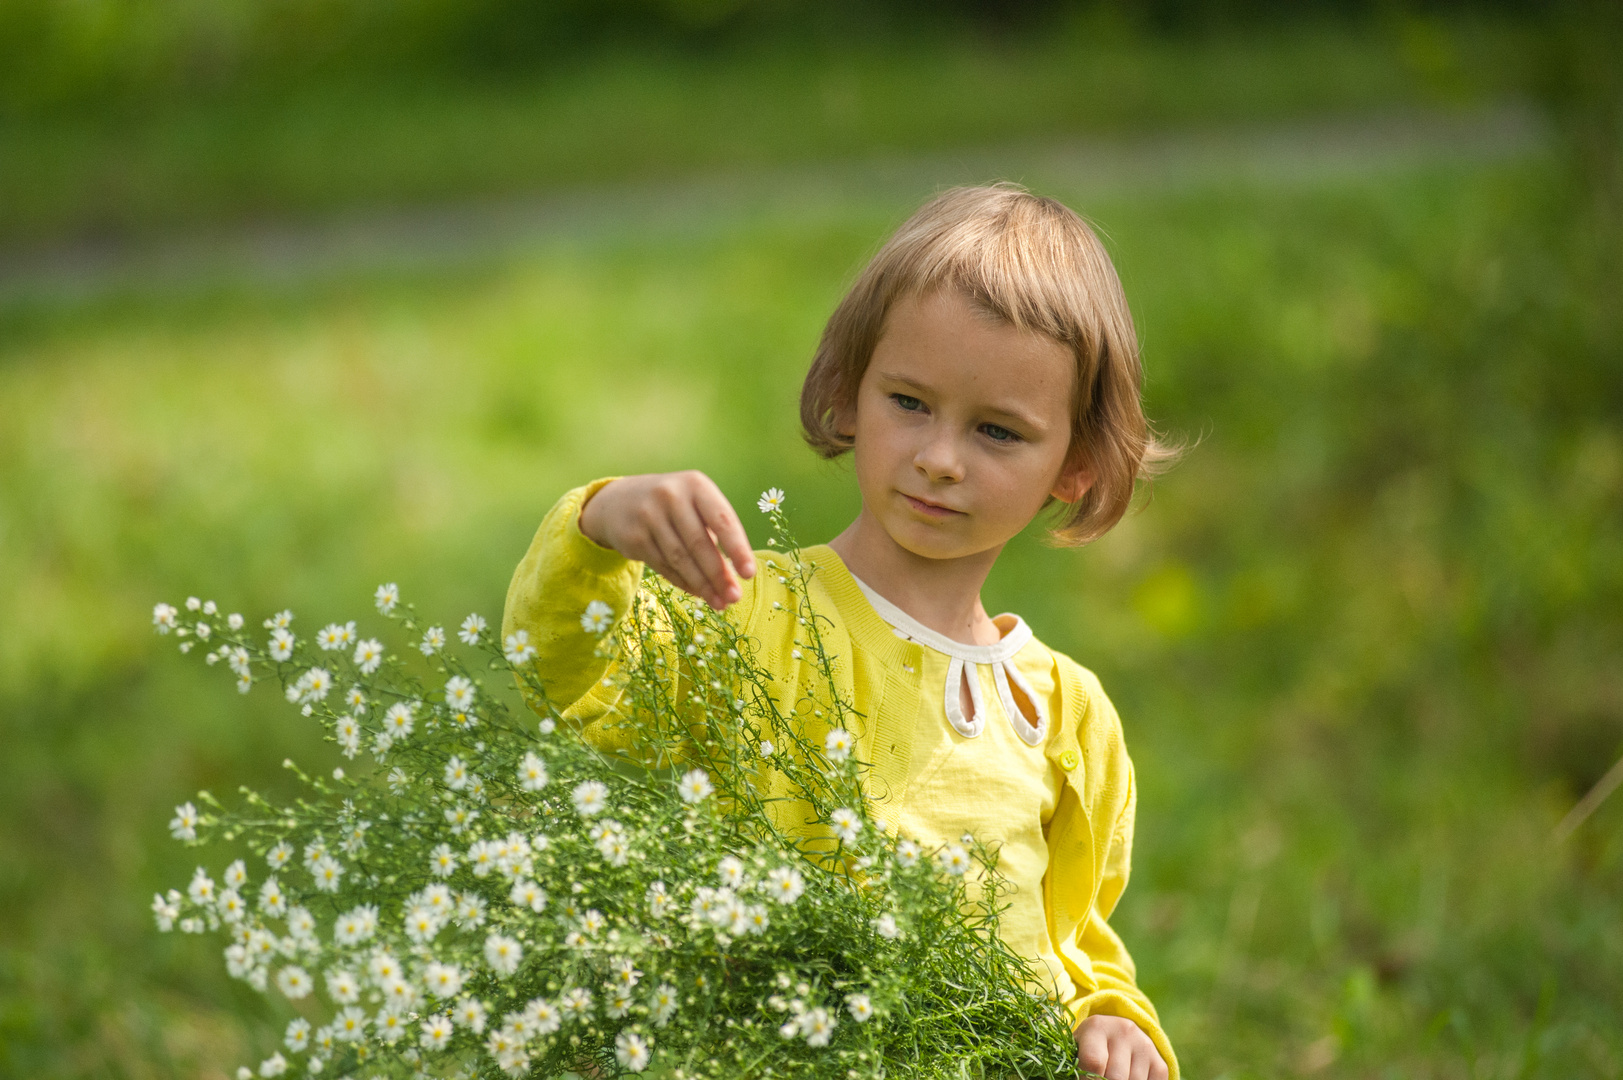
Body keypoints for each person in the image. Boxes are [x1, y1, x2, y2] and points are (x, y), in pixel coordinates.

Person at [503, 183, 1177, 1080]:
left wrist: (1109, 1019)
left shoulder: (1066, 715)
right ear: (849, 391)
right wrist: (597, 528)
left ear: (1075, 465)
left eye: (997, 432)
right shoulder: (745, 610)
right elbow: (569, 678)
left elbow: (1075, 935)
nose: (939, 457)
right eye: (908, 403)